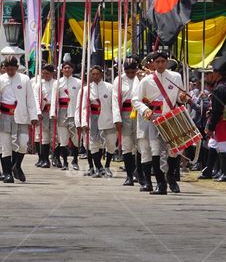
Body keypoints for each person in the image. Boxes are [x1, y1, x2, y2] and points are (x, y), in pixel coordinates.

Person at [132, 51, 188, 195]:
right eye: (158, 62)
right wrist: (145, 110)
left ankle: (170, 176)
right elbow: (136, 100)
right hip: (154, 118)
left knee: (173, 151)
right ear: (153, 63)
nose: (161, 64)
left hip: (171, 117)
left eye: (163, 61)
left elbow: (180, 98)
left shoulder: (176, 77)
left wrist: (183, 97)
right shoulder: (146, 80)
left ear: (167, 62)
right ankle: (161, 184)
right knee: (155, 150)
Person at [0, 55, 37, 184]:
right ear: (4, 68)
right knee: (5, 145)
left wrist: (33, 116)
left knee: (22, 143)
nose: (10, 71)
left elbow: (30, 99)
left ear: (17, 67)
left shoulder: (25, 79)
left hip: (21, 115)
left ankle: (17, 165)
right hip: (4, 115)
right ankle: (7, 173)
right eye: (7, 68)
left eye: (13, 69)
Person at [77, 64, 120, 178]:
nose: (95, 76)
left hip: (108, 119)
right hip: (94, 120)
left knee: (111, 144)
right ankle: (99, 167)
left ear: (101, 74)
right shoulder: (86, 89)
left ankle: (107, 166)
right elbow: (83, 107)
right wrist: (83, 122)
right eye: (93, 74)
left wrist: (116, 119)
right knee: (93, 145)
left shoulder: (109, 87)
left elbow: (115, 105)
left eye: (97, 74)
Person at [202, 56, 226, 185]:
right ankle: (224, 172)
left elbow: (217, 111)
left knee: (224, 146)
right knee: (222, 146)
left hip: (223, 121)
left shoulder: (220, 88)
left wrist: (210, 127)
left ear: (218, 73)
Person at [112, 58, 140, 186]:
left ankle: (139, 174)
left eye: (132, 71)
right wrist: (117, 118)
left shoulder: (140, 78)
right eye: (127, 72)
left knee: (140, 145)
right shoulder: (119, 80)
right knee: (127, 146)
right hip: (125, 114)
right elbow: (115, 100)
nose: (130, 74)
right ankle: (129, 175)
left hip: (140, 113)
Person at [52, 59, 81, 170]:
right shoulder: (57, 83)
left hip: (74, 112)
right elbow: (54, 99)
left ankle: (75, 160)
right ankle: (64, 162)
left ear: (72, 69)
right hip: (62, 113)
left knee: (75, 138)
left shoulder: (78, 83)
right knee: (63, 139)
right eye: (65, 68)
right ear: (62, 70)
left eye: (69, 68)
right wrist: (53, 113)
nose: (67, 69)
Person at [32, 64, 56, 168]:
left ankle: (56, 157)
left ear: (52, 74)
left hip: (54, 112)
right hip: (44, 112)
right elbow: (36, 99)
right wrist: (38, 112)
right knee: (43, 135)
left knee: (55, 135)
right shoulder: (39, 85)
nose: (45, 75)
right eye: (44, 73)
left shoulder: (56, 83)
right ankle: (44, 158)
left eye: (47, 73)